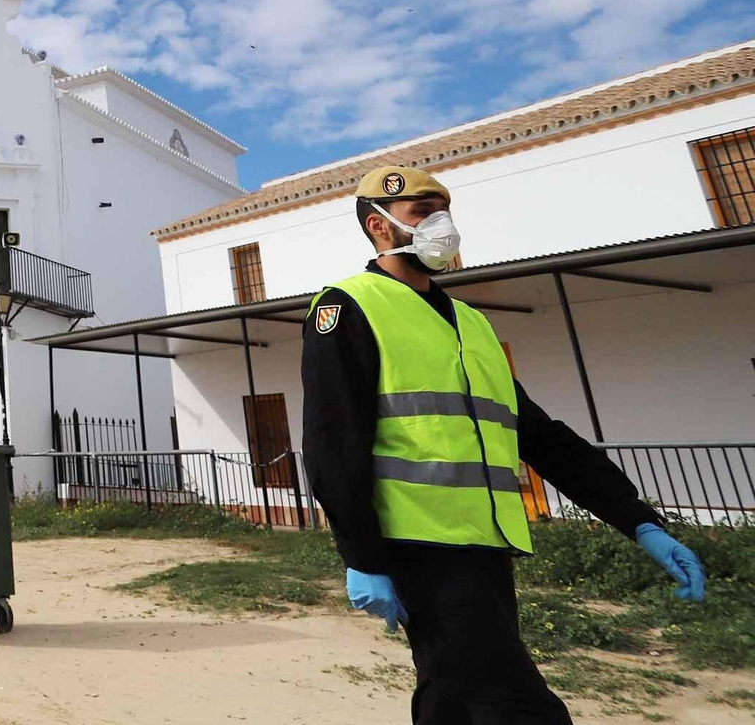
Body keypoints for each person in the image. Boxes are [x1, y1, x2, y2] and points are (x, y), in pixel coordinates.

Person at [300, 165, 706, 724]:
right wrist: (362, 556)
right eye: (423, 213)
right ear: (379, 227)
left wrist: (637, 520)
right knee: (508, 703)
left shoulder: (470, 322)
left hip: (486, 548)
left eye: (445, 213)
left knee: (457, 699)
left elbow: (538, 434)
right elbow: (332, 443)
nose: (441, 225)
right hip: (421, 547)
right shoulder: (347, 307)